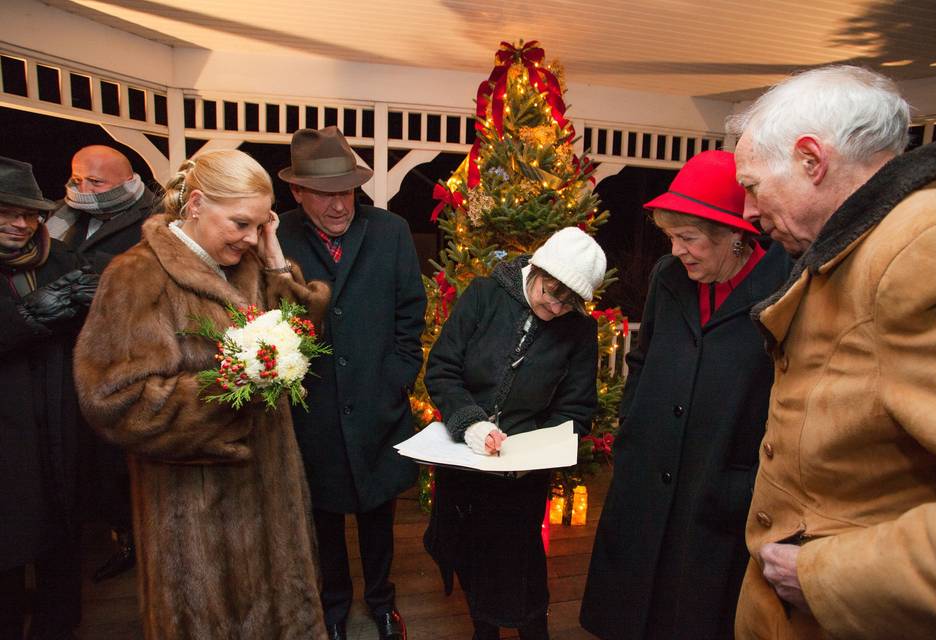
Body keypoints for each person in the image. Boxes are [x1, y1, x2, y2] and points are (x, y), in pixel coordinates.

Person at [728, 65, 936, 639]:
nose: (748, 214)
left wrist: (830, 577)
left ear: (812, 160)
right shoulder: (860, 242)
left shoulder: (925, 247)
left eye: (754, 186)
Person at [73, 149, 331, 639]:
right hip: (196, 518)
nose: (251, 238)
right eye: (241, 223)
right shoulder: (137, 276)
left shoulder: (250, 263)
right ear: (195, 204)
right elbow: (115, 401)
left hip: (273, 502)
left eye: (261, 225)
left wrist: (278, 266)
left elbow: (299, 338)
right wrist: (231, 384)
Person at [579, 151, 792, 639]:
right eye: (671, 237)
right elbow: (642, 357)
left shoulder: (783, 287)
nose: (677, 250)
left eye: (689, 238)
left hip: (718, 481)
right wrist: (631, 426)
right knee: (629, 608)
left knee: (692, 612)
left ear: (735, 235)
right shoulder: (667, 278)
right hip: (646, 473)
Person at [276, 127, 426, 640]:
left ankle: (383, 602)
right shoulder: (277, 238)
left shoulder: (391, 231)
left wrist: (397, 379)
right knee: (324, 518)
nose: (340, 205)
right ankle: (333, 608)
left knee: (379, 513)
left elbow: (411, 311)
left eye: (347, 191)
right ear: (297, 192)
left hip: (379, 402)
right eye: (325, 193)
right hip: (311, 411)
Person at [424, 227, 606, 640]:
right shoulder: (484, 296)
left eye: (569, 302)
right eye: (551, 291)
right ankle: (482, 631)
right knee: (467, 551)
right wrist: (471, 423)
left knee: (518, 564)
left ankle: (530, 630)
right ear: (536, 268)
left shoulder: (579, 331)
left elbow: (576, 411)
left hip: (521, 475)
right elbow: (443, 369)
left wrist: (532, 453)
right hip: (463, 460)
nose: (556, 307)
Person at [47, 144, 156, 581]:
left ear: (127, 181)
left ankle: (135, 538)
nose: (83, 189)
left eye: (96, 182)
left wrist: (102, 281)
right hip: (67, 351)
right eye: (77, 179)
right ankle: (113, 534)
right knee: (83, 458)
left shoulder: (155, 217)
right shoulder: (61, 217)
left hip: (126, 356)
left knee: (121, 458)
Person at [0, 156, 99, 640]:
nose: (21, 223)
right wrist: (25, 319)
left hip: (60, 425)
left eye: (30, 213)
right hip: (6, 434)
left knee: (61, 539)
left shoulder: (63, 259)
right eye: (7, 211)